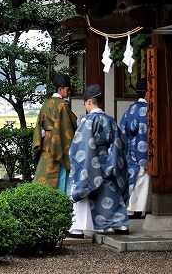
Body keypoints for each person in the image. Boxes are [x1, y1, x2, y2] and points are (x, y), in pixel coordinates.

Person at [66, 84, 129, 238]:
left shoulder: (86, 121)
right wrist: (110, 164)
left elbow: (80, 146)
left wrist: (89, 166)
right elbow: (119, 144)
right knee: (111, 193)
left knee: (83, 190)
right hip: (108, 161)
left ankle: (78, 228)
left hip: (88, 161)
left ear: (88, 102)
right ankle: (120, 225)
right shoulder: (110, 121)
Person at [32, 73, 77, 191]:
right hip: (59, 144)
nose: (69, 92)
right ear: (61, 88)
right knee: (61, 179)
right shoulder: (62, 105)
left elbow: (39, 126)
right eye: (67, 89)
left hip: (46, 145)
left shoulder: (45, 103)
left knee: (44, 177)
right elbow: (68, 127)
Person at [119, 78, 151, 219]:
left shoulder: (130, 109)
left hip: (130, 149)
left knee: (133, 178)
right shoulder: (146, 110)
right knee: (142, 179)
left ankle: (131, 208)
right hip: (141, 149)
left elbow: (122, 130)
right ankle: (138, 208)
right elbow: (144, 132)